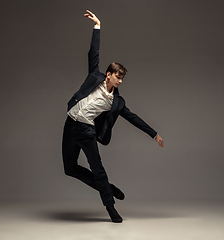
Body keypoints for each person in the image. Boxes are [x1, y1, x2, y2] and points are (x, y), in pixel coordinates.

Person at [62, 10, 164, 223]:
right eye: (118, 77)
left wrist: (153, 134)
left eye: (122, 79)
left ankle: (111, 207)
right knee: (69, 168)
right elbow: (94, 53)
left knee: (98, 169)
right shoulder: (95, 76)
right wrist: (97, 25)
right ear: (109, 74)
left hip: (86, 131)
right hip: (69, 125)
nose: (120, 81)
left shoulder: (116, 102)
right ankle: (108, 188)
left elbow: (133, 117)